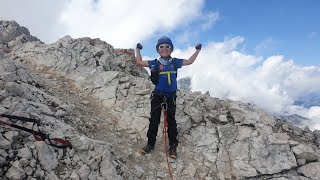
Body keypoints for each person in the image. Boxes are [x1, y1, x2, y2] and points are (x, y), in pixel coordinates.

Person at [135, 36, 201, 159]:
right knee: (154, 121)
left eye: (167, 46)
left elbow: (190, 61)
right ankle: (150, 144)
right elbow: (139, 62)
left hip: (171, 97)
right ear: (158, 50)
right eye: (162, 47)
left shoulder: (175, 62)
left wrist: (197, 50)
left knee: (171, 122)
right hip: (158, 96)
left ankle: (173, 147)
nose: (164, 48)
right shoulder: (154, 63)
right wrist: (138, 50)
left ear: (171, 49)